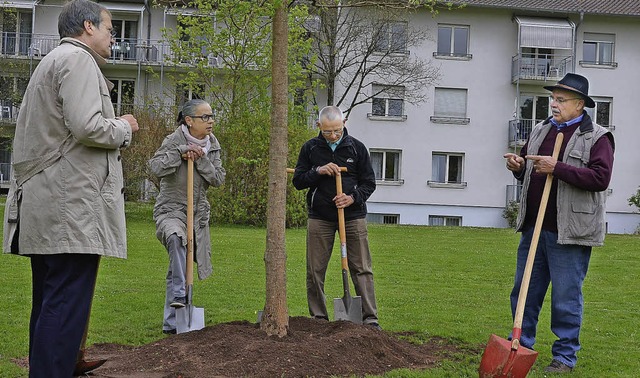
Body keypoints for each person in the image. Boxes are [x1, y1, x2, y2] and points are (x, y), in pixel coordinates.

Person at [2, 0, 139, 376]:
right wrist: (126, 126)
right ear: (88, 27)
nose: (116, 39)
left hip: (49, 206)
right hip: (69, 210)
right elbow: (88, 126)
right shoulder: (78, 61)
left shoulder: (52, 61)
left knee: (50, 303)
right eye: (111, 29)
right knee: (63, 307)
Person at [504, 73, 614, 373]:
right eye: (553, 98)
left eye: (561, 100)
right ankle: (520, 344)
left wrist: (559, 168)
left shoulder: (598, 137)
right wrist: (518, 166)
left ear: (579, 105)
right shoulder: (541, 129)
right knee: (524, 291)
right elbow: (530, 169)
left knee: (566, 297)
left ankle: (565, 356)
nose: (554, 104)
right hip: (534, 228)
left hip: (570, 233)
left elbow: (600, 179)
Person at [292, 105, 380, 330]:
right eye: (328, 131)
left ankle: (370, 318)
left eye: (337, 131)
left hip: (353, 216)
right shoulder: (310, 149)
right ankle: (319, 318)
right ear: (319, 126)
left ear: (344, 124)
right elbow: (299, 180)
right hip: (320, 216)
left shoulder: (357, 149)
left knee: (361, 267)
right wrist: (318, 171)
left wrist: (352, 198)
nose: (333, 135)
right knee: (315, 269)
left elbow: (369, 183)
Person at [148, 99, 226, 334]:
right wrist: (180, 154)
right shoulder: (173, 141)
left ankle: (173, 322)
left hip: (198, 215)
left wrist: (200, 159)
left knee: (179, 260)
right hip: (171, 210)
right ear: (189, 120)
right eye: (205, 117)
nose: (210, 121)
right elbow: (155, 167)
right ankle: (180, 295)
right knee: (175, 238)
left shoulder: (212, 146)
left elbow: (218, 179)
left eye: (212, 116)